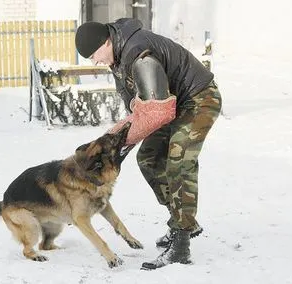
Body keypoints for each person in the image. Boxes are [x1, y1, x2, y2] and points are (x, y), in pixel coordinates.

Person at [74, 18, 222, 270]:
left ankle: (181, 244)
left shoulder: (138, 53)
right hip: (169, 104)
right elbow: (136, 105)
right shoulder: (118, 58)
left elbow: (156, 113)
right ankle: (181, 220)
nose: (95, 61)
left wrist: (119, 143)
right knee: (148, 159)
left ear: (106, 42)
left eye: (94, 55)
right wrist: (117, 135)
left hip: (198, 98)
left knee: (178, 161)